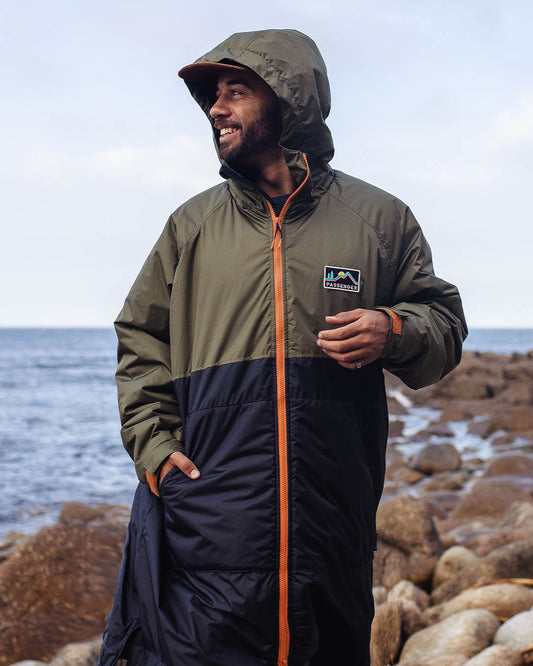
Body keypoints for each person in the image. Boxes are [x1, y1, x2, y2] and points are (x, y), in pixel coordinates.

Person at [99, 29, 467, 666]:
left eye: (235, 92)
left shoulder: (380, 220)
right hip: (210, 521)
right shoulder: (191, 226)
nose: (216, 109)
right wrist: (156, 449)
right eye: (213, 96)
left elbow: (444, 326)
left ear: (289, 97)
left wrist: (394, 328)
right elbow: (140, 336)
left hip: (333, 525)